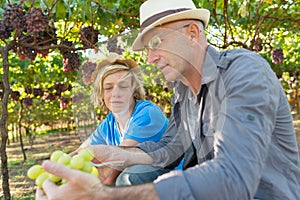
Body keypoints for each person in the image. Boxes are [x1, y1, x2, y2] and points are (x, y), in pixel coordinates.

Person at [36, 0, 300, 199]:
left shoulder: (244, 72)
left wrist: (105, 196)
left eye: (157, 42)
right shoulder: (183, 93)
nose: (150, 58)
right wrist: (118, 155)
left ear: (193, 33)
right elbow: (170, 150)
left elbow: (234, 178)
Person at [72, 52, 169, 185]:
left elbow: (113, 170)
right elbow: (80, 152)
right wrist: (59, 165)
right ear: (101, 94)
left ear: (134, 91)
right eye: (108, 88)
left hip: (173, 177)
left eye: (123, 86)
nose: (115, 93)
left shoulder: (147, 113)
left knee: (129, 177)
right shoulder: (108, 124)